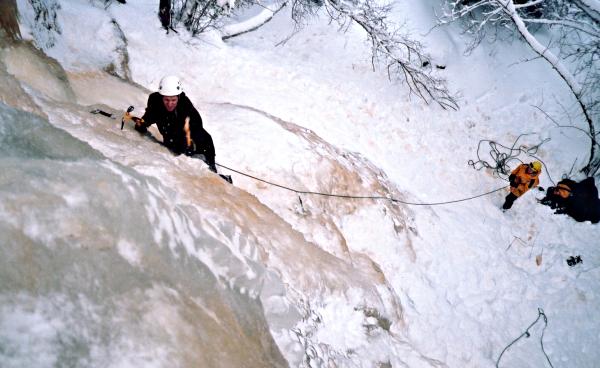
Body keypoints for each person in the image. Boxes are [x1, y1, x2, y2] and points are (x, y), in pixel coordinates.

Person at [134, 75, 217, 172]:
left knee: (204, 144)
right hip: (172, 138)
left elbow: (196, 127)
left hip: (198, 142)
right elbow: (149, 116)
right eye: (166, 100)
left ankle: (212, 169)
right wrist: (142, 124)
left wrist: (188, 144)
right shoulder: (155, 100)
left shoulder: (185, 105)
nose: (170, 104)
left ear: (178, 97)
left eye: (173, 100)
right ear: (161, 97)